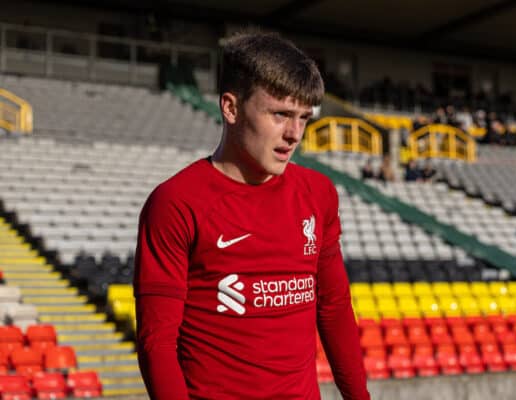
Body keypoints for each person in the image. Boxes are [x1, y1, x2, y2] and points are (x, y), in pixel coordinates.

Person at [134, 32, 370, 400]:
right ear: (230, 108)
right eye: (280, 115)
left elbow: (335, 308)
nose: (294, 134)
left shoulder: (318, 193)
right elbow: (157, 343)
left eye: (303, 118)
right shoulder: (176, 202)